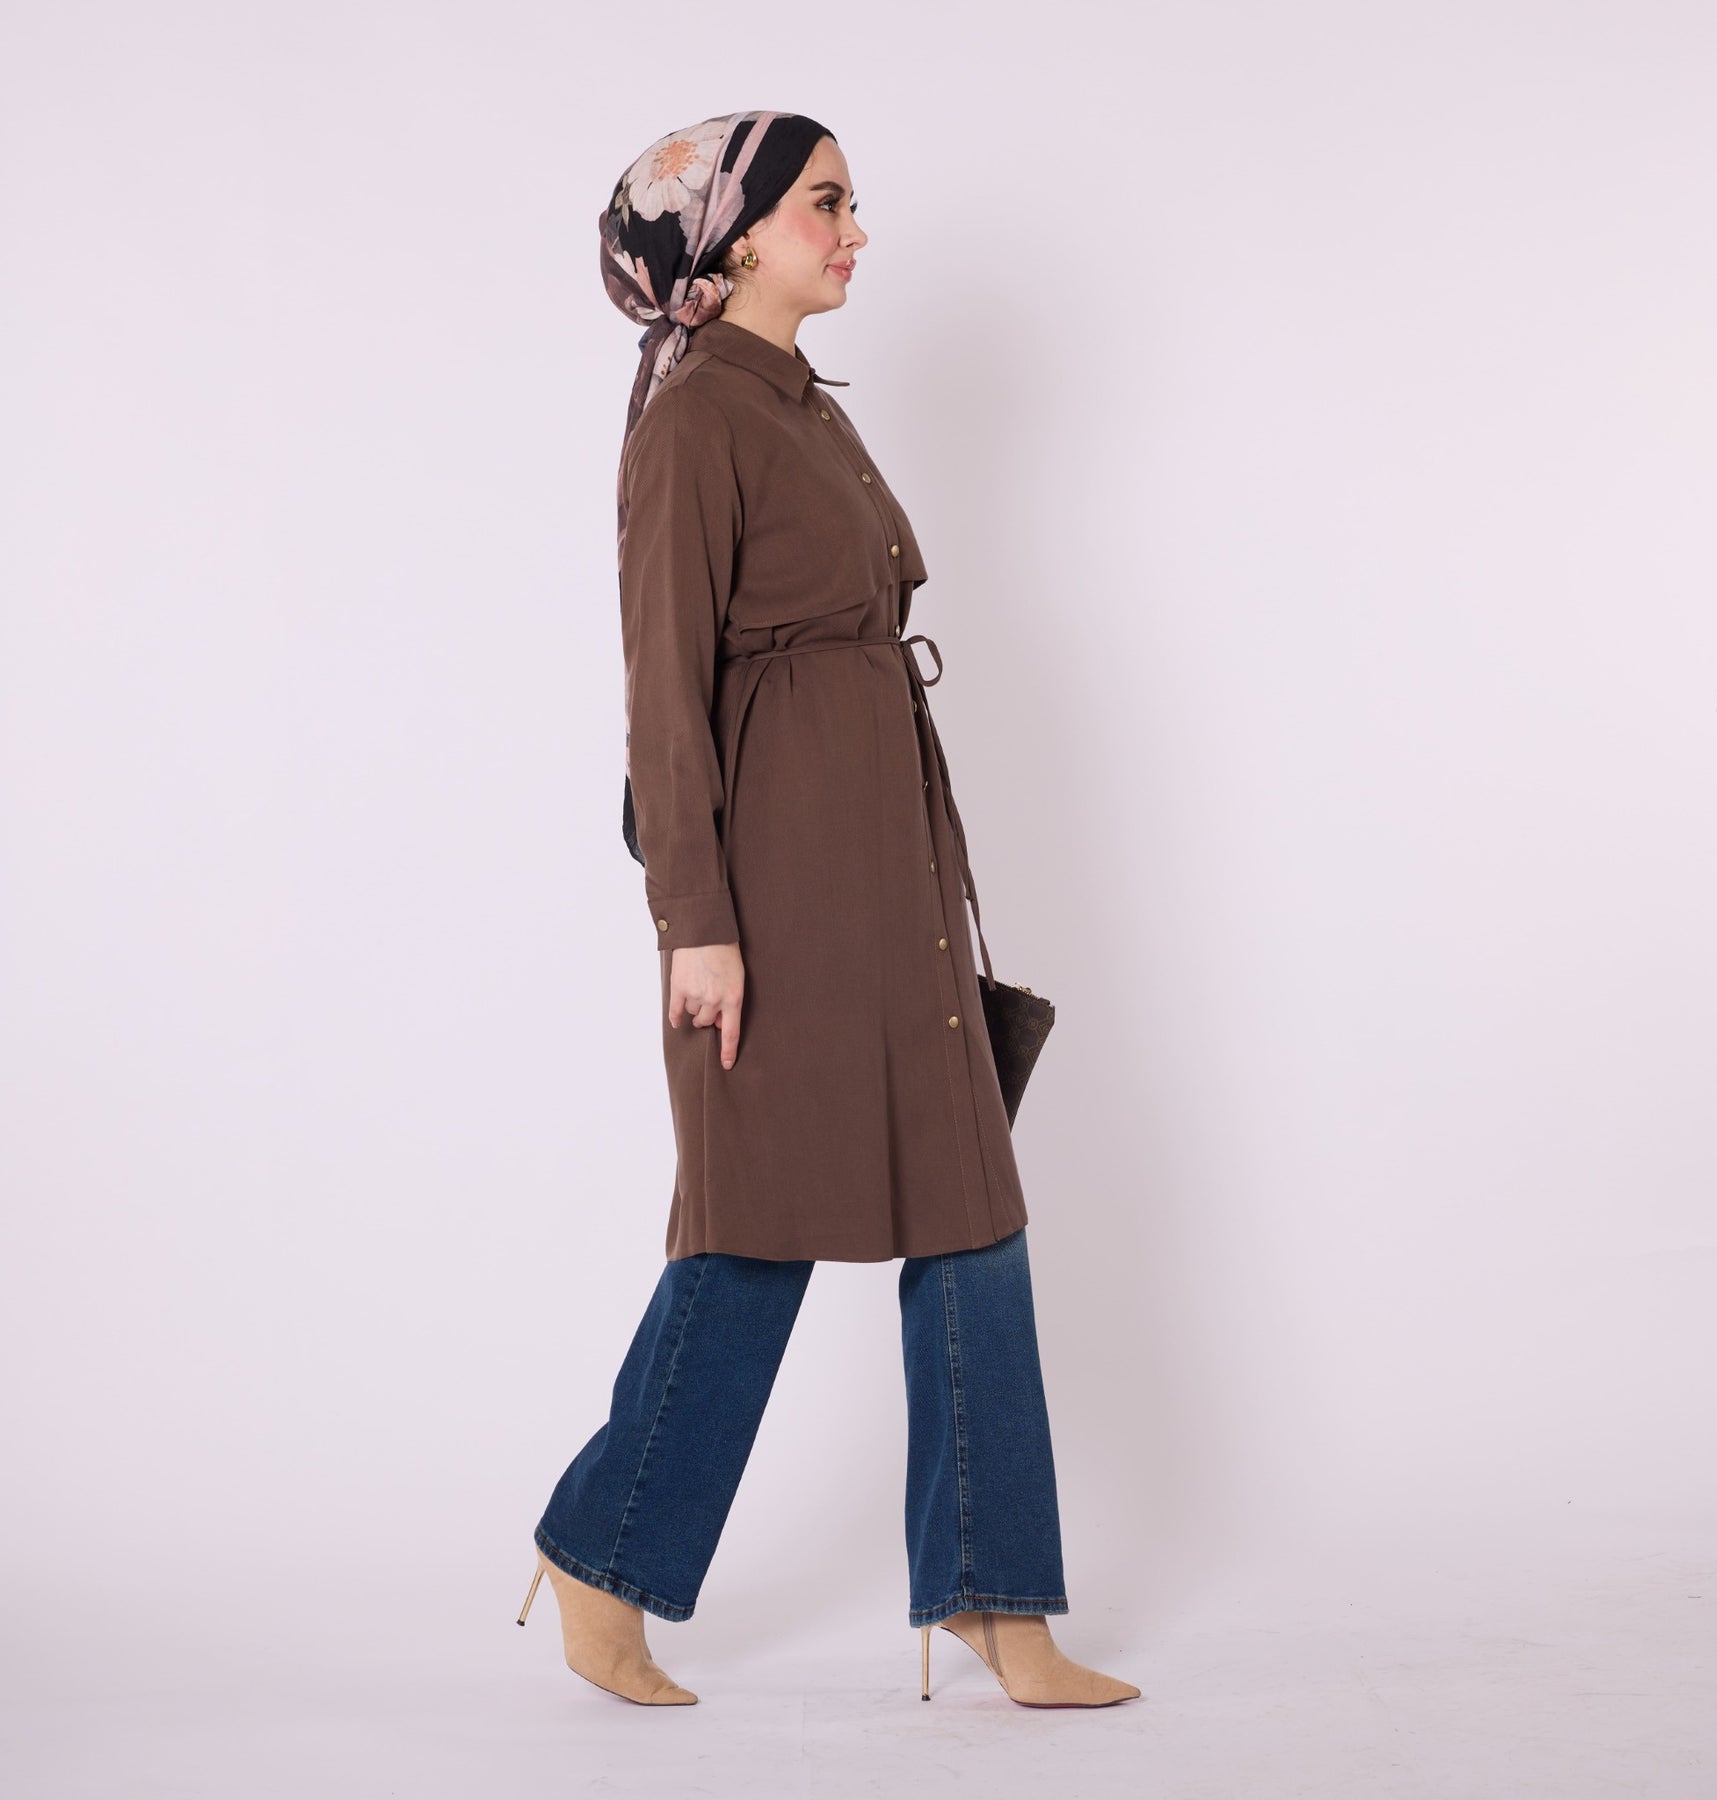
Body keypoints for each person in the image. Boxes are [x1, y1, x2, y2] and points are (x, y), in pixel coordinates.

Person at [516, 109, 1139, 1711]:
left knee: (971, 1209)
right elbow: (664, 695)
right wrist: (696, 920)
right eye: (825, 204)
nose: (855, 231)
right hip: (776, 890)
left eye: (852, 204)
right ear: (732, 238)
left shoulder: (800, 405)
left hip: (893, 871)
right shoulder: (697, 421)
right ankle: (603, 1559)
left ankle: (997, 1601)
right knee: (758, 1224)